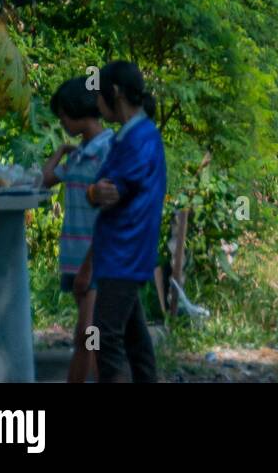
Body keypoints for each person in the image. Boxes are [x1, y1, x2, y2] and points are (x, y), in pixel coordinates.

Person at [86, 61, 167, 383]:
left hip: (125, 252)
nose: (96, 102)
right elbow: (99, 187)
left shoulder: (139, 139)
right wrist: (95, 190)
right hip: (123, 252)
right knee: (134, 340)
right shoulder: (133, 135)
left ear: (115, 93)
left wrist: (95, 191)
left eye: (100, 94)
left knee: (107, 337)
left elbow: (109, 187)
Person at [41, 77, 114, 384]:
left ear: (76, 111)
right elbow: (44, 180)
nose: (61, 121)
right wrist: (60, 150)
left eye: (62, 115)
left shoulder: (108, 149)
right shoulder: (80, 154)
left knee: (87, 334)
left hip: (95, 256)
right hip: (73, 256)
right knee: (92, 335)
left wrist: (93, 263)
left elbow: (113, 209)